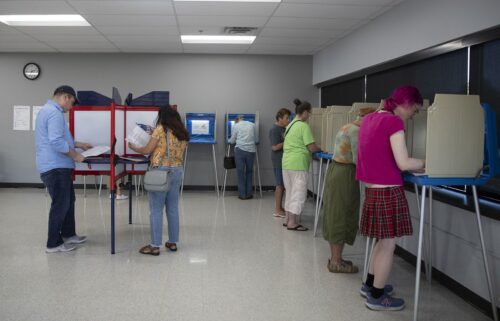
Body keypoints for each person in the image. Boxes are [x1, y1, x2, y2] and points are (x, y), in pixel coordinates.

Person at [357, 86, 425, 311]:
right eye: (414, 111)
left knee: (381, 241)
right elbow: (404, 163)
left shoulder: (369, 119)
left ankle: (370, 285)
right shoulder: (394, 122)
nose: (412, 116)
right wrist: (427, 162)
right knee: (388, 245)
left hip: (372, 189)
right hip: (388, 190)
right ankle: (377, 297)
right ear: (406, 103)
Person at [35, 85, 92, 253]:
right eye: (72, 103)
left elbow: (60, 138)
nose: (71, 108)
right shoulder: (54, 113)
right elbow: (56, 142)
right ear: (66, 97)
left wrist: (80, 144)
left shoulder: (48, 111)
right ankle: (53, 244)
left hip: (57, 166)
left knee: (68, 202)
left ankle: (69, 234)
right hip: (55, 167)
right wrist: (76, 156)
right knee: (60, 204)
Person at [321, 107, 376, 273]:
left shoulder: (347, 126)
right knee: (341, 215)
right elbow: (359, 158)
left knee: (336, 213)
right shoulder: (357, 131)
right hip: (345, 173)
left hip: (337, 170)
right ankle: (336, 262)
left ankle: (336, 258)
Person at [128, 106, 189, 256]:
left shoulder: (161, 129)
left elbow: (147, 150)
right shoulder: (182, 132)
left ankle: (155, 246)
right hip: (177, 171)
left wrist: (133, 147)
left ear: (162, 117)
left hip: (160, 172)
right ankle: (172, 242)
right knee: (172, 209)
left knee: (156, 210)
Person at [282, 99, 321, 231]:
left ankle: (287, 219)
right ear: (304, 112)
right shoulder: (304, 126)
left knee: (290, 192)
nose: (309, 116)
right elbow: (311, 147)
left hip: (286, 163)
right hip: (298, 164)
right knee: (298, 193)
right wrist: (320, 148)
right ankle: (293, 223)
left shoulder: (290, 125)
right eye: (309, 113)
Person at [269, 108, 291, 217]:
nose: (288, 120)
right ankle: (277, 210)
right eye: (287, 118)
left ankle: (280, 207)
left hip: (284, 160)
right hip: (278, 160)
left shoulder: (284, 128)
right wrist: (287, 141)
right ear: (280, 118)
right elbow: (274, 147)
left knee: (282, 185)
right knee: (279, 185)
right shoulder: (274, 130)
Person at [229, 116, 257, 200]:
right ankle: (249, 194)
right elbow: (255, 138)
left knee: (240, 173)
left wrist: (229, 139)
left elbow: (232, 140)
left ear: (236, 121)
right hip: (251, 151)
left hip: (240, 151)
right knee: (249, 172)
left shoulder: (236, 126)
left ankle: (242, 195)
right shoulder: (252, 124)